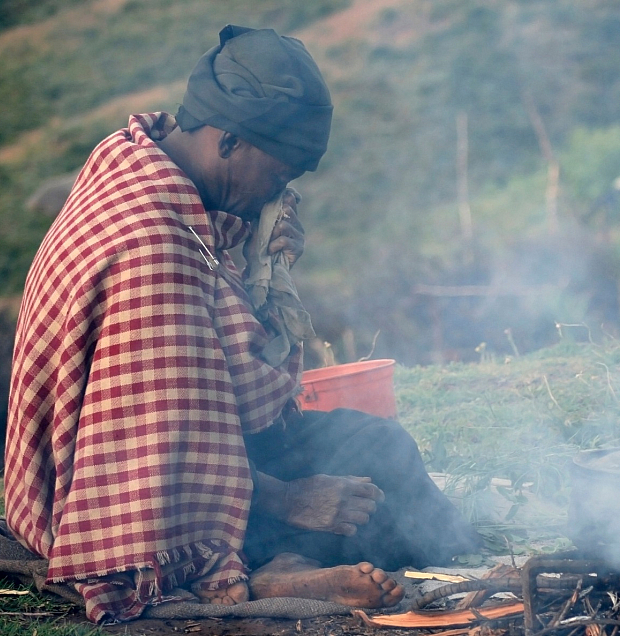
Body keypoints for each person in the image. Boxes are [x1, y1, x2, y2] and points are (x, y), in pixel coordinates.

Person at [4, 25, 480, 624]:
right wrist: (291, 499)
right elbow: (160, 451)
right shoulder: (153, 248)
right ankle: (264, 571)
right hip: (113, 500)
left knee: (377, 447)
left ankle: (291, 557)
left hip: (175, 446)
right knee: (370, 500)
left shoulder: (142, 165)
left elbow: (219, 370)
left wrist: (265, 265)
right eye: (278, 178)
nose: (279, 195)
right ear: (229, 141)